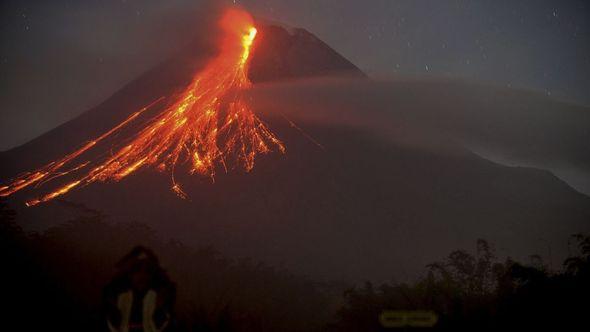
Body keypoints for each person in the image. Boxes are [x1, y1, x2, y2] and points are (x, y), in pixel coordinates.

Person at [103, 246, 175, 332]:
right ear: (129, 274)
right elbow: (114, 324)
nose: (142, 276)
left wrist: (160, 308)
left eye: (147, 272)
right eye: (137, 270)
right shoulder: (122, 297)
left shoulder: (154, 297)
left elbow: (161, 324)